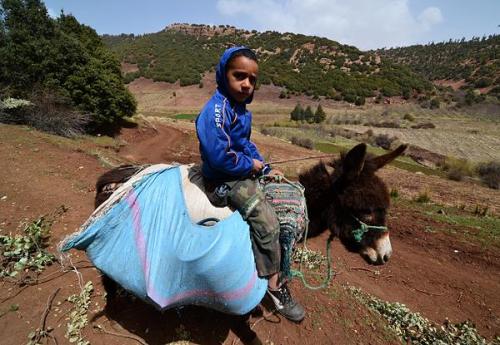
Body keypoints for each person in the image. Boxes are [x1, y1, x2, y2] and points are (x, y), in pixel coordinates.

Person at [195, 46, 305, 322]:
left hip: (237, 173)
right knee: (267, 222)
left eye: (252, 79)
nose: (246, 84)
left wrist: (265, 167)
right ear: (224, 75)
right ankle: (274, 288)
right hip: (222, 180)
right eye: (239, 76)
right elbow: (219, 156)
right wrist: (250, 166)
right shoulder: (216, 111)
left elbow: (245, 145)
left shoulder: (240, 110)